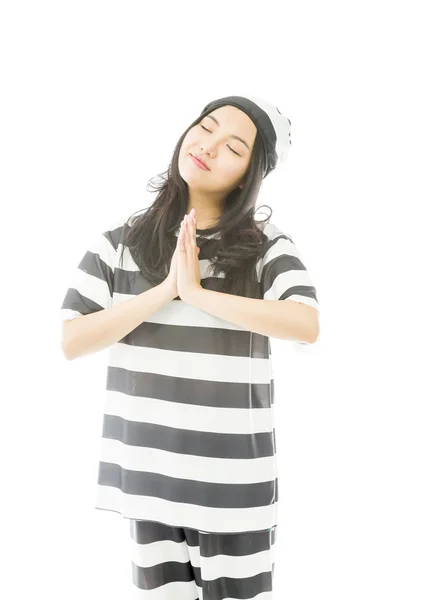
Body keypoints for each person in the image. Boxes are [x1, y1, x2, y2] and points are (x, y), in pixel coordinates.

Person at [60, 93, 320, 598]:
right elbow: (72, 339)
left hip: (231, 487)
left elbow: (305, 323)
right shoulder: (119, 243)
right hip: (147, 477)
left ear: (248, 175)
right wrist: (165, 292)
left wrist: (199, 294)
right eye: (206, 126)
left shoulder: (266, 247)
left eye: (233, 146)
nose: (208, 145)